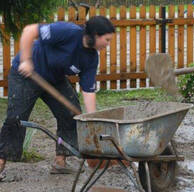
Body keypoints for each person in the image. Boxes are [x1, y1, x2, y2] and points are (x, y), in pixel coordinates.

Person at [0, 16, 115, 180]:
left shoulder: (91, 58)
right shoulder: (67, 32)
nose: (107, 44)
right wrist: (26, 60)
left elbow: (88, 90)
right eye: (107, 40)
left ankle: (60, 162)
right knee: (16, 118)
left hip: (54, 79)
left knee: (70, 113)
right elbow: (29, 31)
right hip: (27, 73)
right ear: (95, 35)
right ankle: (0, 163)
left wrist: (92, 119)